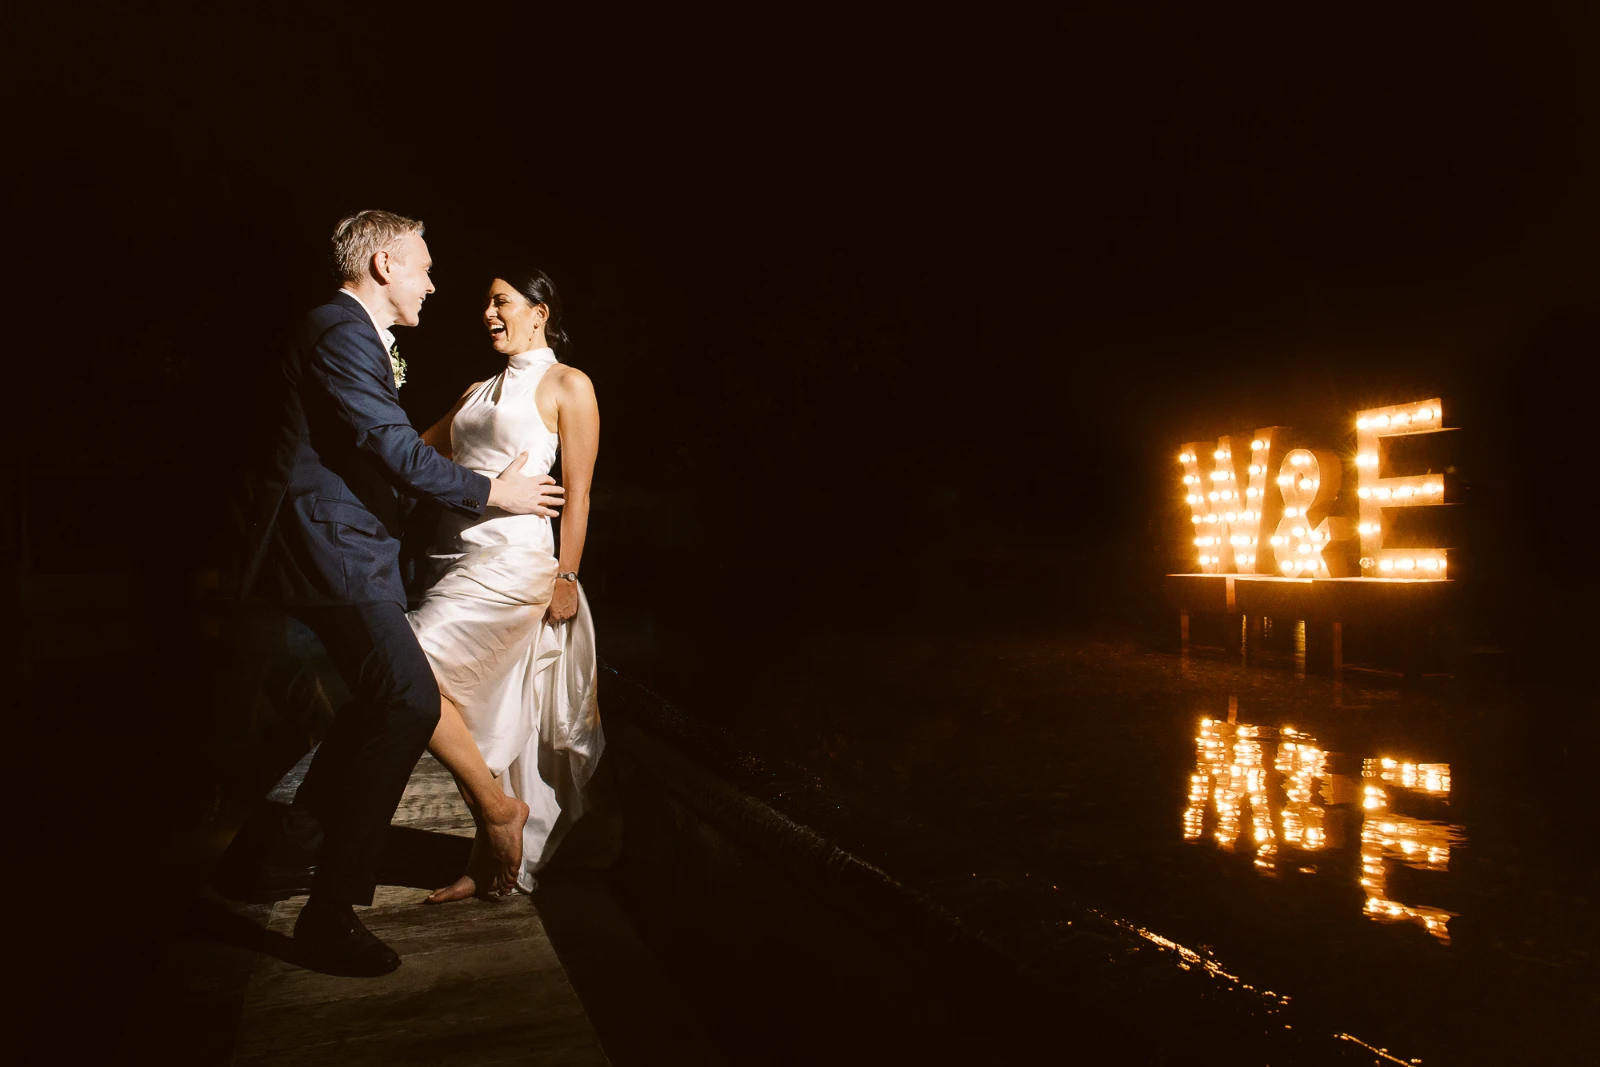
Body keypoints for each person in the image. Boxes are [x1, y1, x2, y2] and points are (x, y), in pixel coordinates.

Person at [237, 210, 565, 975]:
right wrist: (494, 494)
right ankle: (330, 911)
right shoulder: (339, 331)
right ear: (385, 264)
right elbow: (391, 447)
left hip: (353, 551)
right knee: (411, 700)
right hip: (331, 551)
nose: (433, 281)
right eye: (422, 266)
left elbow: (382, 452)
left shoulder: (346, 335)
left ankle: (282, 858)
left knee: (386, 698)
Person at [407, 268, 604, 902]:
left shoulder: (568, 385)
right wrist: (475, 492)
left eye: (502, 303)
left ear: (540, 310)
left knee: (406, 669)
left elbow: (579, 496)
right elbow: (412, 454)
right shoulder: (474, 392)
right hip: (453, 558)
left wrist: (566, 575)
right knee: (476, 713)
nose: (489, 314)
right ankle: (490, 850)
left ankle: (501, 816)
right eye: (487, 305)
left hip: (516, 565)